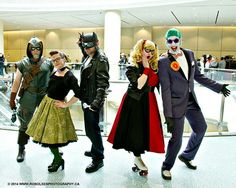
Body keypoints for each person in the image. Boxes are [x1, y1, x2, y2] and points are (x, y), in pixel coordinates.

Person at [158, 28, 231, 180]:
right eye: (169, 41)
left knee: (201, 127)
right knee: (176, 140)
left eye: (175, 40)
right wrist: (168, 115)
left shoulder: (189, 54)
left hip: (191, 101)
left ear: (180, 40)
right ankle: (166, 166)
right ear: (166, 42)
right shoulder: (163, 62)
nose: (173, 44)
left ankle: (187, 155)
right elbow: (164, 90)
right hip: (176, 104)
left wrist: (218, 87)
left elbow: (198, 76)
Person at [108, 39, 165, 176]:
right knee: (137, 133)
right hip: (135, 102)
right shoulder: (132, 67)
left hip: (150, 102)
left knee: (146, 132)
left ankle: (137, 158)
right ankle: (138, 158)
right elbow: (139, 85)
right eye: (147, 50)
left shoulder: (155, 67)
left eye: (152, 50)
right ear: (140, 50)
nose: (150, 53)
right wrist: (145, 68)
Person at [26, 51, 79, 172]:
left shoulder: (70, 76)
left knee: (51, 138)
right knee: (47, 136)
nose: (55, 62)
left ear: (64, 58)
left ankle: (58, 159)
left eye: (57, 59)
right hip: (46, 104)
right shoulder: (56, 71)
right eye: (53, 60)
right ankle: (57, 158)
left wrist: (66, 104)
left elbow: (79, 94)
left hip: (56, 108)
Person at [9, 37, 53, 162]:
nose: (35, 51)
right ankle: (21, 149)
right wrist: (12, 99)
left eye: (38, 48)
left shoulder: (48, 63)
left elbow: (55, 80)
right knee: (24, 124)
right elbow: (17, 82)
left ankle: (53, 146)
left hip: (45, 96)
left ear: (41, 48)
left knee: (48, 122)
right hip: (28, 96)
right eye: (33, 48)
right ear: (29, 49)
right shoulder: (23, 63)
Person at [77, 32, 110, 173]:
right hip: (86, 99)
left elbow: (103, 84)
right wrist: (82, 45)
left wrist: (96, 104)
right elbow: (86, 54)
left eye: (90, 46)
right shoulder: (89, 56)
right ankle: (94, 149)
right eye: (85, 47)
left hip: (93, 101)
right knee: (90, 129)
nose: (87, 49)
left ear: (97, 44)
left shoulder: (101, 59)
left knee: (92, 130)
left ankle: (98, 158)